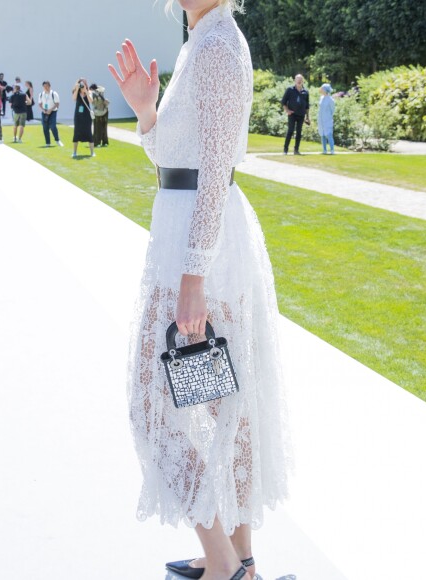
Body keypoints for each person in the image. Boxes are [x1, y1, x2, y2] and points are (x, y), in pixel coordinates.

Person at [108, 2, 290, 579]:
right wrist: (145, 111)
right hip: (192, 239)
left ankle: (223, 566)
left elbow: (214, 170)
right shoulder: (200, 42)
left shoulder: (216, 47)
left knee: (154, 404)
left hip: (199, 250)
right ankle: (243, 563)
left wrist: (193, 278)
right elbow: (173, 159)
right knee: (218, 400)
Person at [281, 73, 310, 155]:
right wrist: (287, 110)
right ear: (295, 80)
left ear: (303, 81)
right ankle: (285, 150)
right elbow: (283, 102)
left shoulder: (306, 92)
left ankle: (296, 150)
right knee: (290, 131)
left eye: (301, 80)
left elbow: (307, 106)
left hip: (301, 115)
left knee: (299, 132)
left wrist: (307, 117)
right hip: (292, 114)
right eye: (298, 79)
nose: (299, 81)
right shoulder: (290, 90)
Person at [71, 78, 94, 157]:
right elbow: (74, 99)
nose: (82, 86)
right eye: (80, 84)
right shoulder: (76, 92)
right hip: (78, 116)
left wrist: (86, 92)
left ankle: (92, 152)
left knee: (88, 132)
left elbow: (91, 101)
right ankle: (74, 152)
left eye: (83, 84)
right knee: (76, 132)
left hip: (87, 116)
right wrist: (77, 89)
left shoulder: (89, 92)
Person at [38, 81, 63, 147]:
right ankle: (47, 143)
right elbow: (40, 104)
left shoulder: (54, 93)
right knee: (45, 127)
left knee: (53, 126)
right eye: (44, 86)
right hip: (44, 112)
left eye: (47, 86)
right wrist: (43, 110)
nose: (46, 88)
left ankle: (57, 140)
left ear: (49, 86)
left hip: (53, 112)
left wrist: (50, 109)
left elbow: (57, 103)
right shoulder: (41, 94)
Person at [317, 83, 335, 155]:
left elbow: (332, 110)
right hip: (321, 119)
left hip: (327, 119)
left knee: (329, 134)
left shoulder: (330, 100)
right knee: (322, 134)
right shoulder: (321, 98)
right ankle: (324, 150)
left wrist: (328, 117)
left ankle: (332, 150)